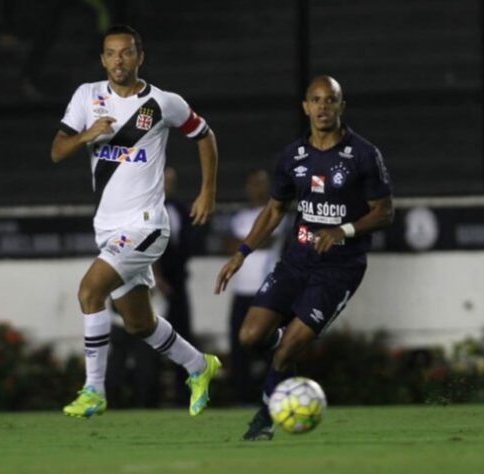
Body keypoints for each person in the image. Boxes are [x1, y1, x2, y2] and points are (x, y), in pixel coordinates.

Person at [51, 24, 221, 419]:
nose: (118, 61)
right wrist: (87, 135)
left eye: (126, 53)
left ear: (140, 57)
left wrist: (207, 191)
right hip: (108, 228)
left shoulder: (162, 103)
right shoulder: (87, 96)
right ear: (102, 59)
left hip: (145, 225)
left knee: (90, 291)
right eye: (110, 53)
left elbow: (205, 135)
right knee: (139, 323)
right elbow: (57, 151)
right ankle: (199, 365)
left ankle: (94, 390)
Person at [215, 75, 394, 440]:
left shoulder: (363, 154)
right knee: (249, 336)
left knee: (286, 351)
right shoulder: (293, 156)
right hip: (297, 261)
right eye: (316, 100)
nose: (323, 107)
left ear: (342, 106)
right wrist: (242, 254)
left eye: (330, 100)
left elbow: (385, 212)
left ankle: (263, 420)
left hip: (340, 269)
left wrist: (341, 231)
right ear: (305, 107)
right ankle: (285, 336)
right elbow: (274, 210)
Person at [224, 169, 287, 404]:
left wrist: (242, 244)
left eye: (259, 184)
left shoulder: (275, 213)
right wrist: (248, 242)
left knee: (271, 345)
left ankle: (273, 395)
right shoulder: (240, 217)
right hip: (241, 291)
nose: (255, 190)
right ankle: (243, 397)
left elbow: (267, 240)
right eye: (251, 185)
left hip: (266, 290)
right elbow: (226, 245)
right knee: (238, 345)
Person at [154, 166, 195, 405]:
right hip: (155, 283)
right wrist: (157, 277)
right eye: (165, 180)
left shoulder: (181, 208)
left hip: (178, 283)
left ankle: (182, 392)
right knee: (154, 336)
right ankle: (153, 395)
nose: (168, 185)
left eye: (172, 180)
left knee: (182, 335)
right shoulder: (147, 207)